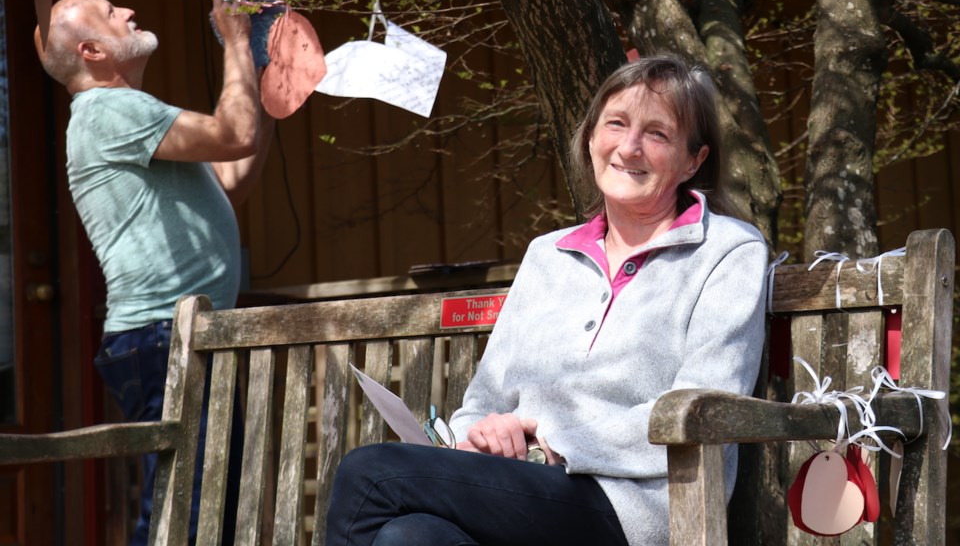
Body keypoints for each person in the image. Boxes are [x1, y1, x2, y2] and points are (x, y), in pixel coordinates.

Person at [325, 55, 769, 546]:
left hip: (631, 506)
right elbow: (483, 402)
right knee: (409, 537)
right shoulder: (548, 255)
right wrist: (482, 435)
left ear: (694, 160)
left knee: (373, 473)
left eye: (658, 134)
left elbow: (703, 405)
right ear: (590, 138)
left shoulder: (728, 251)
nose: (629, 146)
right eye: (616, 124)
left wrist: (554, 440)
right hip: (523, 493)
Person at [35, 0, 272, 545]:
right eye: (113, 12)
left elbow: (229, 180)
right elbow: (234, 135)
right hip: (167, 337)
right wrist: (238, 42)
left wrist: (264, 82)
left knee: (197, 505)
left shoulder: (121, 115)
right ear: (93, 51)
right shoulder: (110, 109)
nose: (130, 11)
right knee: (190, 513)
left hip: (172, 336)